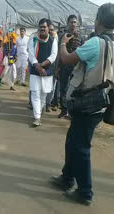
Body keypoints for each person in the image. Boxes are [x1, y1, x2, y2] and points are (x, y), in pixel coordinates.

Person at [51, 3, 114, 206]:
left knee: (81, 146)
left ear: (99, 20)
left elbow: (67, 58)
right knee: (73, 140)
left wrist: (62, 42)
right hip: (100, 100)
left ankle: (85, 192)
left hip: (87, 102)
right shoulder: (112, 43)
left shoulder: (96, 43)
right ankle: (67, 178)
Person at [28, 18, 58, 127]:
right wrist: (37, 66)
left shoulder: (53, 40)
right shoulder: (34, 39)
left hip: (47, 71)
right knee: (35, 93)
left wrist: (42, 65)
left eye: (44, 27)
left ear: (48, 28)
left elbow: (53, 56)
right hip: (35, 71)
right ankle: (37, 117)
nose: (42, 29)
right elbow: (31, 54)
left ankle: (39, 111)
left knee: (43, 94)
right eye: (40, 27)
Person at [56, 15, 84, 119]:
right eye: (71, 22)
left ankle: (71, 111)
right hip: (64, 66)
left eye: (74, 22)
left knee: (74, 89)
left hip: (76, 67)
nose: (73, 24)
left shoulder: (81, 37)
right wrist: (57, 67)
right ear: (68, 23)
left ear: (77, 24)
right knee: (63, 88)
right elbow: (59, 53)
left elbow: (83, 53)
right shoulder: (63, 36)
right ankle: (64, 110)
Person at [46, 22, 59, 112]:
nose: (51, 31)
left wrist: (58, 67)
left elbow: (58, 55)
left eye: (52, 30)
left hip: (54, 67)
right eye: (49, 29)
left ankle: (47, 104)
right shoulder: (43, 40)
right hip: (45, 67)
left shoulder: (55, 40)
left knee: (52, 87)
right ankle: (42, 104)